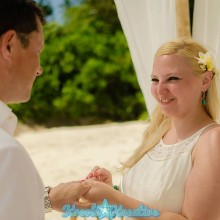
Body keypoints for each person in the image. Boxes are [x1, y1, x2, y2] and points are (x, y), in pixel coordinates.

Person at [82, 38, 220, 220]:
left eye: (172, 78)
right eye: (155, 79)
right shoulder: (157, 133)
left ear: (205, 81)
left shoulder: (211, 141)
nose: (160, 90)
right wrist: (112, 191)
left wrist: (115, 199)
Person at [0, 1, 91, 219]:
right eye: (37, 51)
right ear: (9, 45)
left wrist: (45, 200)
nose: (39, 69)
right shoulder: (7, 154)